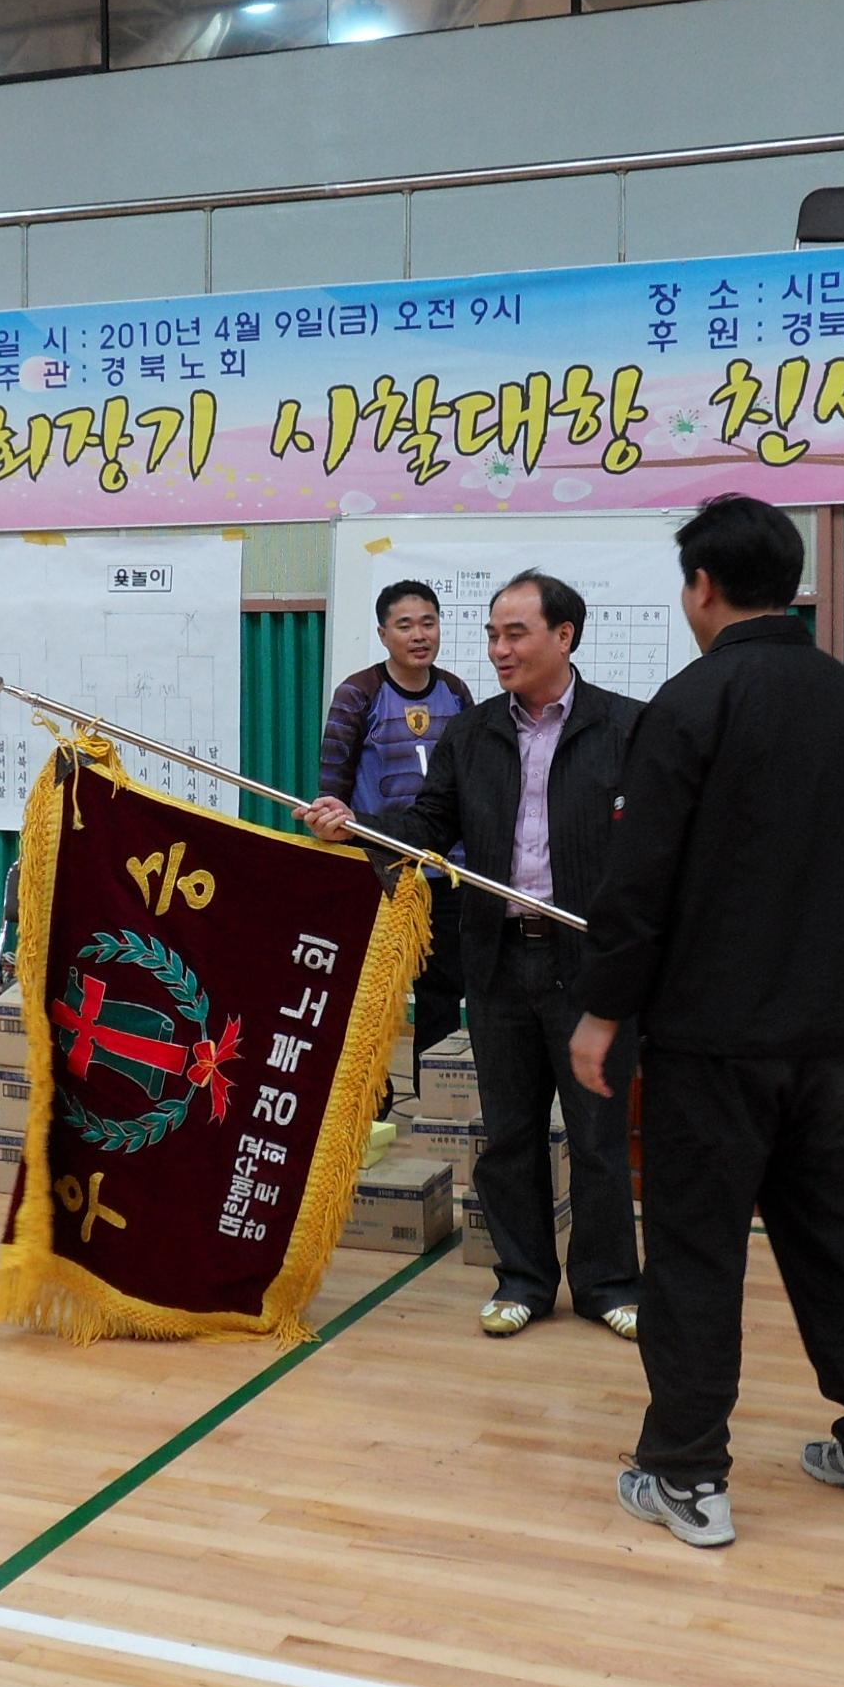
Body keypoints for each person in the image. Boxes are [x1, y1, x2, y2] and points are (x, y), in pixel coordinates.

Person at [567, 495, 844, 1551]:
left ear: (703, 587)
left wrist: (602, 1013)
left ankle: (686, 1473)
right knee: (837, 1239)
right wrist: (834, 987)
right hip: (825, 1041)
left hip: (711, 1044)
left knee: (694, 1252)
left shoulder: (689, 705)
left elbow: (638, 886)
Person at [300, 571, 642, 1343]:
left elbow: (655, 850)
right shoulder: (474, 731)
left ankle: (610, 1283)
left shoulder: (625, 727)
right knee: (510, 1133)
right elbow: (428, 823)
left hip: (589, 966)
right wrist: (356, 827)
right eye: (492, 634)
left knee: (595, 1134)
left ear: (565, 635)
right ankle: (523, 1279)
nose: (498, 650)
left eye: (515, 633)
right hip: (497, 961)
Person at [318, 580, 477, 1059]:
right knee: (374, 994)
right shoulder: (358, 694)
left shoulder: (455, 693)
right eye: (405, 625)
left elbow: (472, 782)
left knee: (443, 992)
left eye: (428, 623)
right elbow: (332, 789)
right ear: (383, 634)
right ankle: (372, 1095)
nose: (419, 635)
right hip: (379, 871)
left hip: (447, 872)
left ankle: (434, 1093)